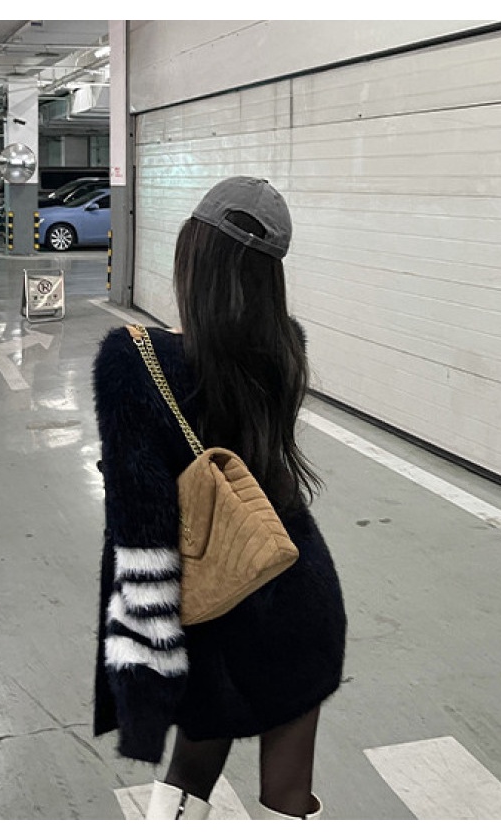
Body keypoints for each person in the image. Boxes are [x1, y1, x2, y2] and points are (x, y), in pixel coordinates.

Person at [91, 176, 348, 820]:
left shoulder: (133, 361)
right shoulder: (286, 348)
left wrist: (140, 672)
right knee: (289, 794)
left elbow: (141, 532)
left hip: (212, 612)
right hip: (294, 586)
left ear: (193, 262)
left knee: (189, 777)